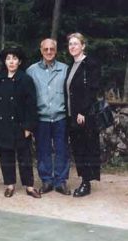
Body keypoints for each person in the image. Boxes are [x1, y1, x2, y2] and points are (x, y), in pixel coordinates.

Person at [0, 47, 41, 198]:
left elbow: (31, 105)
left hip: (20, 125)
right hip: (3, 124)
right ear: (4, 61)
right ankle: (10, 185)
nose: (11, 61)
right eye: (8, 58)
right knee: (6, 155)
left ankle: (30, 186)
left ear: (19, 62)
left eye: (14, 59)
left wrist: (28, 126)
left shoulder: (25, 79)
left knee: (24, 156)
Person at [27, 38, 71, 195]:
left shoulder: (65, 69)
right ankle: (46, 180)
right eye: (45, 49)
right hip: (41, 118)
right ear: (41, 50)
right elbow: (27, 96)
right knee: (42, 150)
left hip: (60, 117)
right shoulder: (31, 71)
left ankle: (60, 181)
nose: (49, 52)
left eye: (52, 49)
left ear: (56, 50)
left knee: (62, 150)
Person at [65, 32, 101, 197]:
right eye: (70, 44)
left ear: (83, 46)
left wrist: (82, 111)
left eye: (76, 43)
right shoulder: (71, 65)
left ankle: (86, 183)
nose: (72, 47)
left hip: (83, 115)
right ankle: (83, 180)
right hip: (72, 115)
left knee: (86, 148)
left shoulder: (90, 64)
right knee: (78, 148)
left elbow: (92, 90)